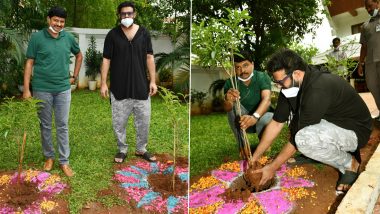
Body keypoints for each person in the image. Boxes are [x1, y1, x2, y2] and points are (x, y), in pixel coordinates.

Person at [251, 49, 371, 193]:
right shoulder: (291, 86)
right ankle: (317, 153)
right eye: (276, 82)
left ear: (296, 73)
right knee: (300, 130)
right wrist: (254, 157)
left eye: (280, 82)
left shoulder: (317, 88)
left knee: (303, 139)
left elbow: (297, 138)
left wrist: (272, 168)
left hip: (355, 131)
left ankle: (350, 164)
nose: (278, 86)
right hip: (331, 124)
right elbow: (277, 123)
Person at [23, 6, 83, 177]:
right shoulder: (37, 38)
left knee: (63, 125)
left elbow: (79, 55)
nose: (58, 24)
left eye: (62, 21)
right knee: (46, 125)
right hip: (42, 89)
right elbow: (29, 63)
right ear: (48, 19)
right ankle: (49, 157)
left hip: (63, 89)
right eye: (55, 20)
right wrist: (27, 89)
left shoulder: (68, 38)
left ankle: (64, 161)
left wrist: (75, 76)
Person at [100, 1, 158, 163]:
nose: (126, 16)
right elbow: (106, 60)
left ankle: (141, 149)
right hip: (119, 88)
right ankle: (122, 149)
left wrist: (153, 81)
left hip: (141, 88)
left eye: (129, 13)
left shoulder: (144, 33)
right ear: (119, 15)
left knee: (144, 121)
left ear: (134, 14)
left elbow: (149, 57)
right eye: (123, 14)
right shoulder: (112, 35)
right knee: (119, 122)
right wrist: (104, 83)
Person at [223, 50, 273, 154]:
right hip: (243, 121)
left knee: (267, 118)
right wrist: (228, 100)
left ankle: (265, 143)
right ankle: (243, 146)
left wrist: (254, 117)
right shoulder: (230, 83)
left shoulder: (262, 76)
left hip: (261, 117)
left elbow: (267, 99)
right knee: (233, 107)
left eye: (245, 65)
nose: (242, 70)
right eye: (238, 67)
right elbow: (228, 109)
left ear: (252, 64)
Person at [358, 0, 380, 121]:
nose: (369, 10)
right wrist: (361, 63)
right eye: (366, 8)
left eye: (370, 6)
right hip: (371, 62)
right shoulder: (365, 26)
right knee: (372, 86)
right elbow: (364, 46)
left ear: (377, 3)